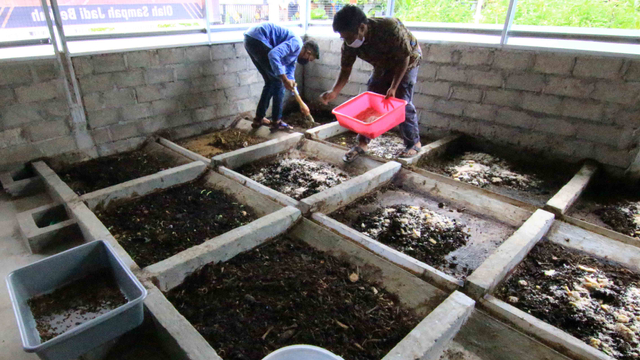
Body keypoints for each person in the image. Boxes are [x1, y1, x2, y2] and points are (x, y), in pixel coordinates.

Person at [319, 5, 422, 162]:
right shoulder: (349, 44)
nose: (346, 41)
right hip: (383, 64)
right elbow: (346, 69)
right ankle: (362, 143)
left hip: (407, 61)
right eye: (343, 37)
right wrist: (334, 91)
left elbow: (404, 58)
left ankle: (414, 143)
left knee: (402, 101)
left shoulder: (389, 28)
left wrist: (393, 87)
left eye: (348, 37)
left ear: (361, 27)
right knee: (372, 95)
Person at [244, 22, 320, 131]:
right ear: (308, 52)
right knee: (278, 83)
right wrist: (284, 79)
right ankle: (276, 121)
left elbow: (290, 76)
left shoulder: (293, 57)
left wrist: (298, 98)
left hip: (250, 38)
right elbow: (273, 55)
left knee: (271, 82)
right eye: (309, 59)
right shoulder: (297, 43)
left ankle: (259, 118)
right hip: (259, 38)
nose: (307, 61)